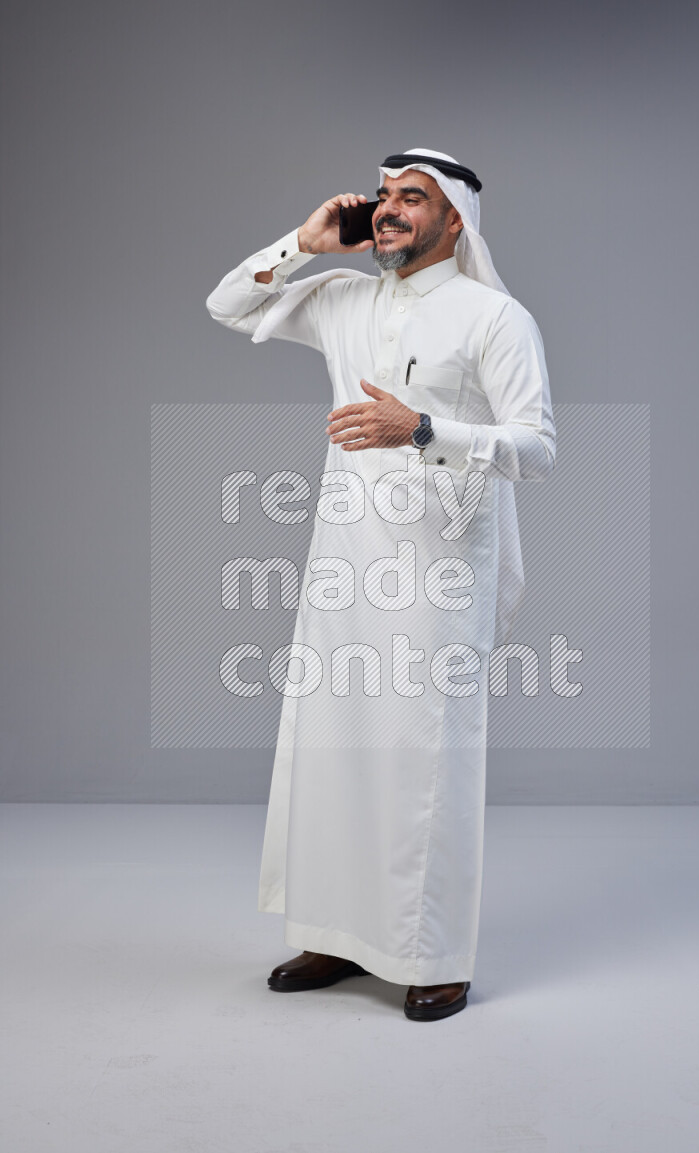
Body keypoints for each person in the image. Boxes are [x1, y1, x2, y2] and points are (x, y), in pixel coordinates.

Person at [206, 149, 556, 1021]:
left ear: (456, 220)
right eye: (386, 195)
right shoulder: (342, 298)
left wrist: (425, 428)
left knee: (425, 760)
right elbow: (228, 304)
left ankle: (436, 955)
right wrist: (305, 243)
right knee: (334, 747)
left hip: (441, 569)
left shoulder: (494, 317)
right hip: (344, 563)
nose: (392, 209)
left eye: (415, 198)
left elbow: (537, 446)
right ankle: (335, 934)